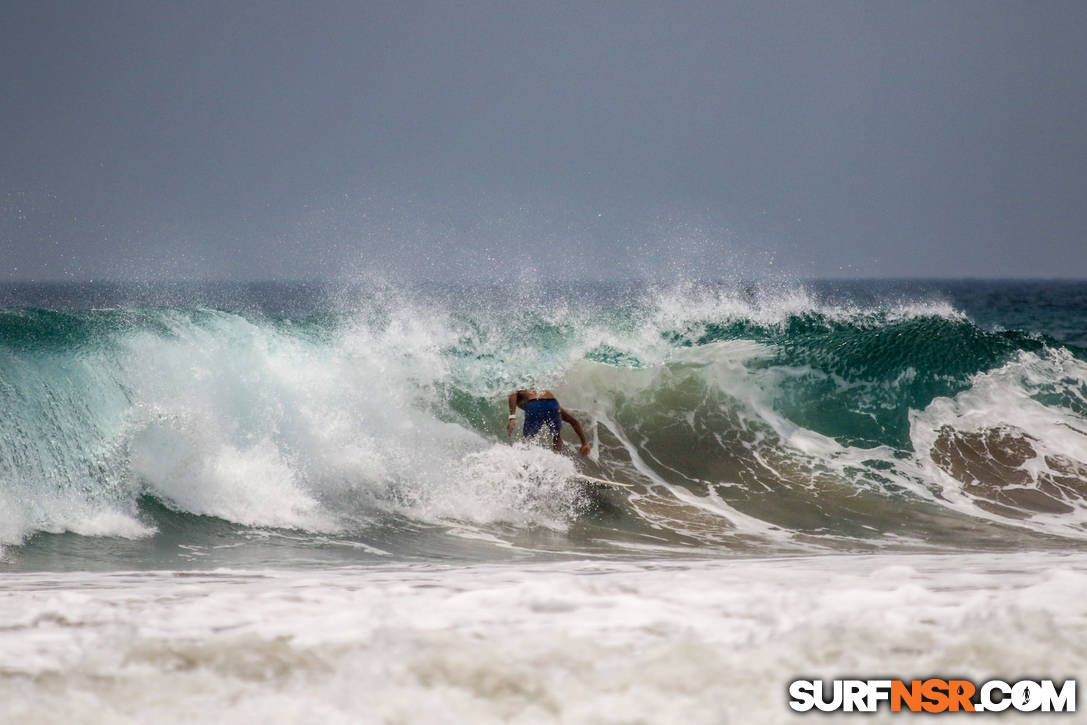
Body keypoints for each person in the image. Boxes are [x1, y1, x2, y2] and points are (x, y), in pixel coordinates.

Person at [507, 388, 591, 457]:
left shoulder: (520, 389)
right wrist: (584, 443)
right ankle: (557, 459)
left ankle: (525, 464)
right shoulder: (536, 391)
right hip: (552, 403)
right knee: (557, 435)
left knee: (528, 438)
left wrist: (512, 418)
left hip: (535, 404)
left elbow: (513, 394)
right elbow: (573, 421)